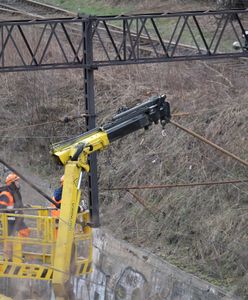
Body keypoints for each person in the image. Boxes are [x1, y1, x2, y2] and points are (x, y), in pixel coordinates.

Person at [0, 173, 30, 260]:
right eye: (16, 181)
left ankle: (18, 252)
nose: (18, 183)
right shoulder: (6, 194)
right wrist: (13, 210)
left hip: (16, 219)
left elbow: (14, 204)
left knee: (25, 232)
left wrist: (23, 206)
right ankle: (9, 258)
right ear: (11, 183)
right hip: (8, 220)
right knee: (9, 239)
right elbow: (2, 208)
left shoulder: (14, 192)